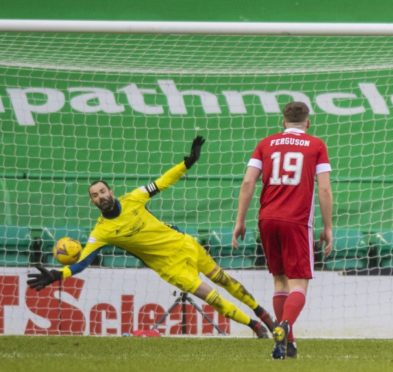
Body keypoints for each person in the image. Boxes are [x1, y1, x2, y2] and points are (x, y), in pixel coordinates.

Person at [27, 136, 274, 338]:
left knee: (225, 280)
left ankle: (261, 312)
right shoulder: (100, 232)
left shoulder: (134, 197)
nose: (100, 196)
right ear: (92, 202)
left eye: (102, 191)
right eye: (95, 195)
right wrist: (59, 274)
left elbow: (161, 182)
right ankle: (254, 326)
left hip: (186, 245)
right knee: (212, 297)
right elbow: (82, 262)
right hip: (171, 268)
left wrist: (186, 164)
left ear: (111, 191)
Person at [232, 101, 333, 359]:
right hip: (296, 221)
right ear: (308, 122)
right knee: (299, 284)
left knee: (279, 279)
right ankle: (285, 326)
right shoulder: (316, 145)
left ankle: (288, 343)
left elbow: (247, 182)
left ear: (282, 121)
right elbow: (324, 188)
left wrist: (239, 221)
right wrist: (328, 227)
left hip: (267, 219)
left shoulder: (266, 144)